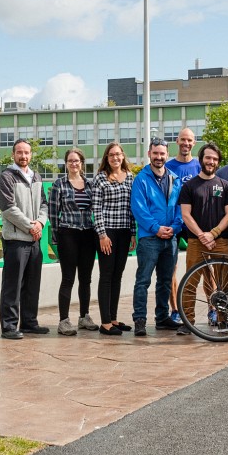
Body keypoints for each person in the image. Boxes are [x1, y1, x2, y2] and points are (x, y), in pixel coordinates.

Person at [176, 142, 228, 335]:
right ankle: (188, 322)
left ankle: (222, 320)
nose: (211, 162)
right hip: (195, 242)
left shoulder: (225, 186)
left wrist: (213, 233)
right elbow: (186, 214)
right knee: (190, 283)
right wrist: (202, 235)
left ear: (218, 162)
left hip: (221, 241)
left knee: (223, 284)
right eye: (208, 158)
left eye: (215, 159)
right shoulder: (189, 186)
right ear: (201, 159)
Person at [0, 139, 49, 340]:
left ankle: (29, 323)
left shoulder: (36, 176)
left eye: (27, 152)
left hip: (34, 239)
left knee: (32, 284)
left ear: (31, 154)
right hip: (16, 240)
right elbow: (8, 209)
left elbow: (44, 204)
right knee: (12, 285)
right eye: (20, 152)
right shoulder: (6, 177)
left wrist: (41, 224)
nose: (23, 156)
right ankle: (9, 326)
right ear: (13, 154)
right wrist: (30, 226)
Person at [130, 138, 185, 337]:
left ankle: (162, 317)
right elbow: (139, 208)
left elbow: (180, 207)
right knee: (143, 280)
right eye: (155, 153)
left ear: (167, 155)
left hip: (170, 237)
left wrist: (175, 226)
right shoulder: (141, 179)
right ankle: (140, 319)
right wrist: (155, 228)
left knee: (165, 280)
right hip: (149, 238)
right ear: (149, 154)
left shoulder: (174, 179)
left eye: (162, 154)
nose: (159, 157)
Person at [48, 148, 100, 335]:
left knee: (86, 279)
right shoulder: (59, 185)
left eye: (76, 160)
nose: (73, 164)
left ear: (82, 163)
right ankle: (64, 320)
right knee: (68, 278)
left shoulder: (90, 184)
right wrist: (55, 235)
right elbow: (53, 213)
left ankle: (84, 316)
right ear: (66, 163)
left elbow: (96, 209)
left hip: (87, 234)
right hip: (67, 234)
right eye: (70, 161)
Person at [90, 142, 137, 336]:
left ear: (123, 156)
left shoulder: (131, 178)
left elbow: (132, 208)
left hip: (124, 231)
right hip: (107, 233)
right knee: (106, 276)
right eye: (111, 155)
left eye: (118, 154)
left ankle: (114, 318)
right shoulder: (100, 178)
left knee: (118, 275)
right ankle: (105, 322)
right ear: (106, 158)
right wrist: (102, 235)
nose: (115, 158)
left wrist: (133, 233)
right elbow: (96, 209)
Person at [165, 127, 201, 323]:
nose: (186, 143)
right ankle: (176, 310)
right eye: (183, 140)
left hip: (194, 223)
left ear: (194, 143)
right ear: (177, 141)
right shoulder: (168, 167)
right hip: (174, 223)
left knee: (205, 267)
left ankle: (212, 308)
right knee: (171, 267)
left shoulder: (199, 166)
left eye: (190, 141)